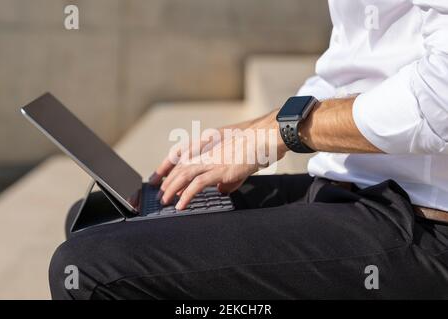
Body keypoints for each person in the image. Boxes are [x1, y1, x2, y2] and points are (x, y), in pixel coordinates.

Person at [49, 0, 448, 299]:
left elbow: (439, 99)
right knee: (101, 217)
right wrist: (248, 132)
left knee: (87, 269)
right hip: (351, 186)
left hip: (423, 219)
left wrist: (282, 132)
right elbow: (349, 69)